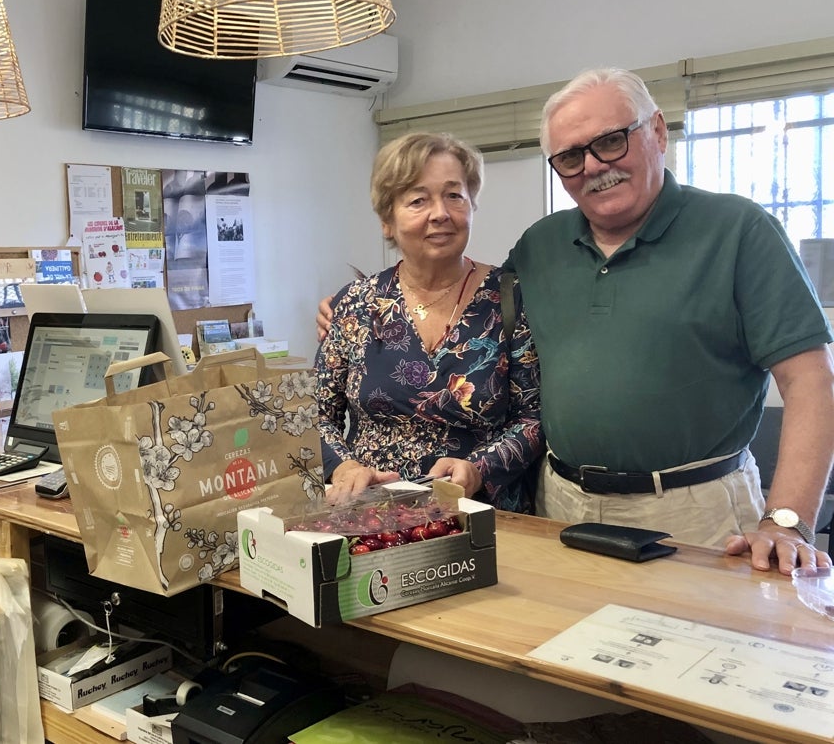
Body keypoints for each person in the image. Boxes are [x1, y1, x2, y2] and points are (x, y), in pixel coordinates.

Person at [319, 68, 834, 575]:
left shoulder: (740, 231)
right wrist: (342, 312)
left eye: (611, 141)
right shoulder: (540, 248)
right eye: (569, 157)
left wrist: (787, 521)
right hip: (559, 504)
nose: (593, 166)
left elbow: (811, 381)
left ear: (656, 131)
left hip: (695, 512)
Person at [317, 132, 543, 511]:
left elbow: (533, 417)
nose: (440, 213)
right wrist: (344, 467)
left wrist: (479, 468)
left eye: (454, 195)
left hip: (484, 516)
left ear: (471, 205)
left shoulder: (510, 299)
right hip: (374, 517)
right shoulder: (354, 305)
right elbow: (317, 415)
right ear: (387, 221)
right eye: (418, 200)